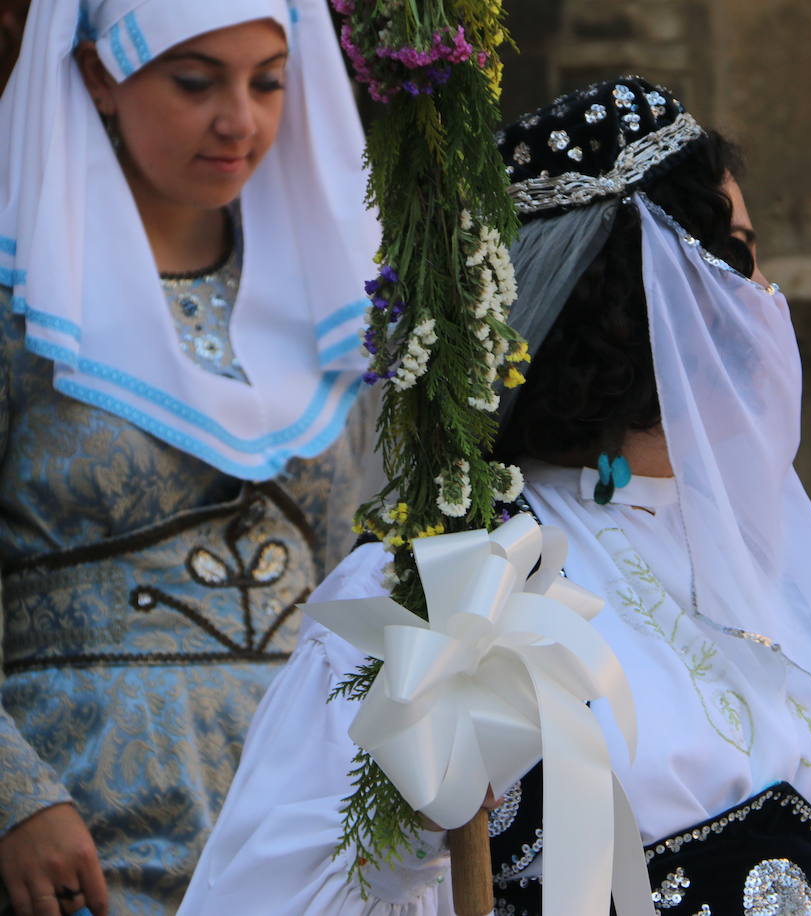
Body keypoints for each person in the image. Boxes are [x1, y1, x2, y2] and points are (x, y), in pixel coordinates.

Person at [179, 77, 811, 915]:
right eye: (739, 256)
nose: (768, 297)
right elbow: (291, 884)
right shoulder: (454, 582)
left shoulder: (753, 562)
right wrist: (426, 809)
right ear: (641, 292)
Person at [0, 1, 381, 913]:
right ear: (99, 77)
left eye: (267, 82)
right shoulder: (24, 300)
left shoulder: (330, 301)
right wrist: (15, 797)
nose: (238, 121)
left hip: (303, 827)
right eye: (195, 80)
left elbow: (349, 589)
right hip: (82, 837)